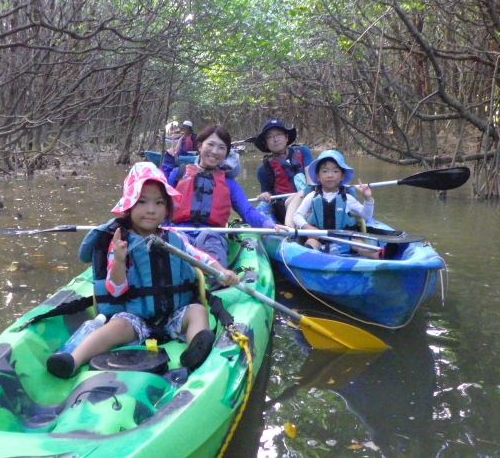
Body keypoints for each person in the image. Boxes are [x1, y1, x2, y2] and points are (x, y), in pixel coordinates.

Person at [46, 162, 240, 379]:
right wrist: (119, 260)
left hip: (174, 316)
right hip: (135, 320)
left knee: (198, 311)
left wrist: (221, 271)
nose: (151, 209)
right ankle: (73, 359)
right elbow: (116, 289)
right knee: (115, 326)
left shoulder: (174, 237)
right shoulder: (120, 242)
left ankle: (195, 352)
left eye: (159, 202)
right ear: (129, 206)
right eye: (142, 202)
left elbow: (200, 257)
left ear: (167, 207)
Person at [162, 124, 286, 267]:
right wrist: (168, 162)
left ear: (226, 153)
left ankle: (215, 281)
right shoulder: (178, 173)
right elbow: (156, 192)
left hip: (212, 235)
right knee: (175, 240)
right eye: (211, 144)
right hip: (179, 232)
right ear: (200, 146)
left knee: (208, 237)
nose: (215, 151)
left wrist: (269, 225)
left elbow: (247, 211)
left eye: (221, 147)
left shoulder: (229, 184)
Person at [292, 150, 379, 257]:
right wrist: (306, 227)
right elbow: (297, 215)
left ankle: (377, 256)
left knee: (358, 244)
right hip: (319, 240)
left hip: (346, 241)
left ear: (342, 176)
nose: (330, 175)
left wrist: (367, 198)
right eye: (324, 171)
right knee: (311, 243)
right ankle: (309, 261)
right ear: (318, 176)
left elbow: (366, 215)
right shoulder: (312, 196)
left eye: (335, 171)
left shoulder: (347, 198)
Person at [253, 119, 314, 226]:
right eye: (270, 136)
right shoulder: (263, 170)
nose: (276, 139)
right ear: (266, 143)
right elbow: (268, 194)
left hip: (310, 197)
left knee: (310, 193)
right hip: (285, 206)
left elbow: (311, 181)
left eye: (279, 134)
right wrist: (265, 195)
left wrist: (310, 196)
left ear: (286, 137)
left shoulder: (303, 151)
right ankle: (290, 228)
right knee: (300, 195)